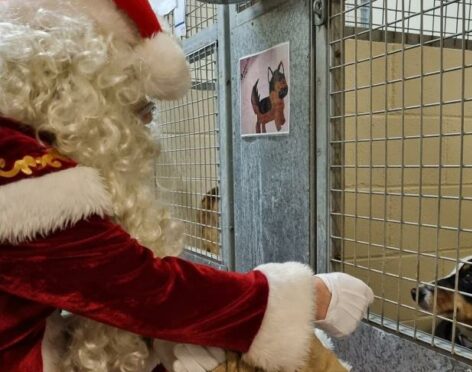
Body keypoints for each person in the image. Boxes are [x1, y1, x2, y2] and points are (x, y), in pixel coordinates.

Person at [0, 0, 374, 371]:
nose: (144, 126)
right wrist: (307, 298)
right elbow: (140, 290)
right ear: (77, 94)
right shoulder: (22, 174)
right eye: (133, 109)